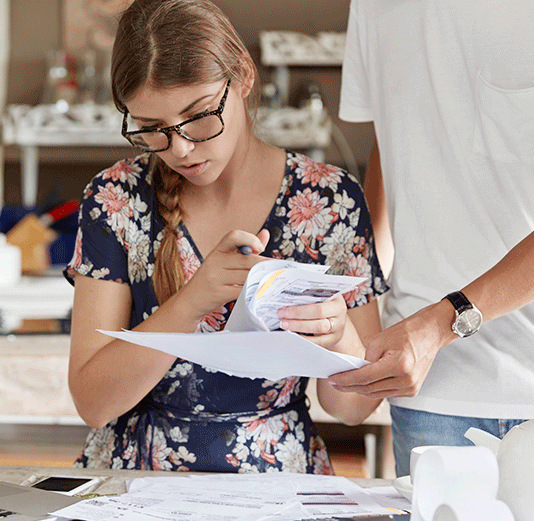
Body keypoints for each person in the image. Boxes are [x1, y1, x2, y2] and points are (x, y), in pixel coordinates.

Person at [65, 0, 388, 473]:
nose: (180, 149)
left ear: (244, 76)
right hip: (137, 479)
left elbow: (353, 409)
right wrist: (189, 304)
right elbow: (93, 404)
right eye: (152, 129)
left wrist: (339, 340)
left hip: (279, 481)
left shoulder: (330, 199)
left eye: (198, 115)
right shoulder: (116, 198)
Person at [335, 0, 534, 477]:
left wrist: (440, 324)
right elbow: (396, 140)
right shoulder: (373, 8)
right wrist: (359, 312)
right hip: (430, 392)